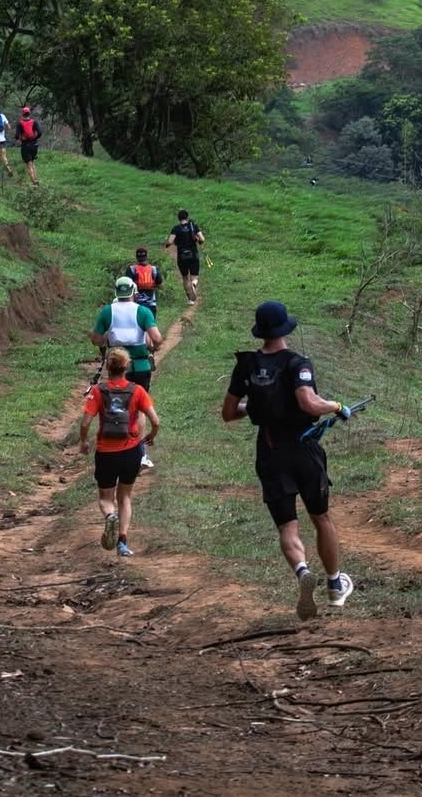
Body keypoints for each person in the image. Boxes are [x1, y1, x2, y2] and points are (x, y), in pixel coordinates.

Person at [221, 300, 354, 620]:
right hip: (304, 448)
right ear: (285, 328)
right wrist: (335, 406)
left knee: (287, 525)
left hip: (269, 450)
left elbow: (228, 413)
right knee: (321, 517)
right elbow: (308, 403)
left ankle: (302, 569)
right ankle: (335, 585)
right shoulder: (298, 363)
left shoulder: (246, 365)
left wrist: (252, 409)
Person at [78, 347, 160, 557]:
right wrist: (151, 435)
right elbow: (155, 421)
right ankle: (122, 542)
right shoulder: (137, 390)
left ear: (108, 367)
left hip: (106, 452)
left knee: (106, 498)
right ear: (126, 367)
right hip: (130, 451)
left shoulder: (98, 391)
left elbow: (86, 422)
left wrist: (84, 442)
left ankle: (109, 516)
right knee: (125, 497)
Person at [91, 277, 162, 469]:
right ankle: (140, 454)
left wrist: (108, 340)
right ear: (133, 291)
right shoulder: (143, 311)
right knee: (138, 408)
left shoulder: (107, 312)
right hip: (139, 367)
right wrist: (152, 347)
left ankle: (114, 447)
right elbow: (157, 338)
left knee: (115, 405)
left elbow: (96, 339)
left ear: (116, 292)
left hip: (116, 367)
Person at [166, 209, 204, 305]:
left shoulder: (176, 228)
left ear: (179, 218)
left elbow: (170, 241)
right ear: (187, 217)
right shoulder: (193, 226)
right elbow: (202, 239)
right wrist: (198, 240)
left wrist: (166, 245)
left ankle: (190, 299)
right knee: (194, 276)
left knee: (185, 277)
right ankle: (194, 283)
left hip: (182, 256)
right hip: (193, 254)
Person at [125, 247, 163, 318]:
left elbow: (127, 286)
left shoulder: (131, 269)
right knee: (151, 324)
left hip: (135, 305)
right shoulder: (154, 269)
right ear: (146, 256)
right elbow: (160, 286)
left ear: (136, 257)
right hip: (151, 304)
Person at [14, 105, 41, 186]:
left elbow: (16, 136)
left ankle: (34, 182)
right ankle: (36, 179)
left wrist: (18, 139)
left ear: (22, 114)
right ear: (29, 114)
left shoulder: (20, 124)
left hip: (25, 146)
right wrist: (35, 138)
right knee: (32, 162)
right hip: (34, 145)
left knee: (28, 164)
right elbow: (40, 133)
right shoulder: (34, 122)